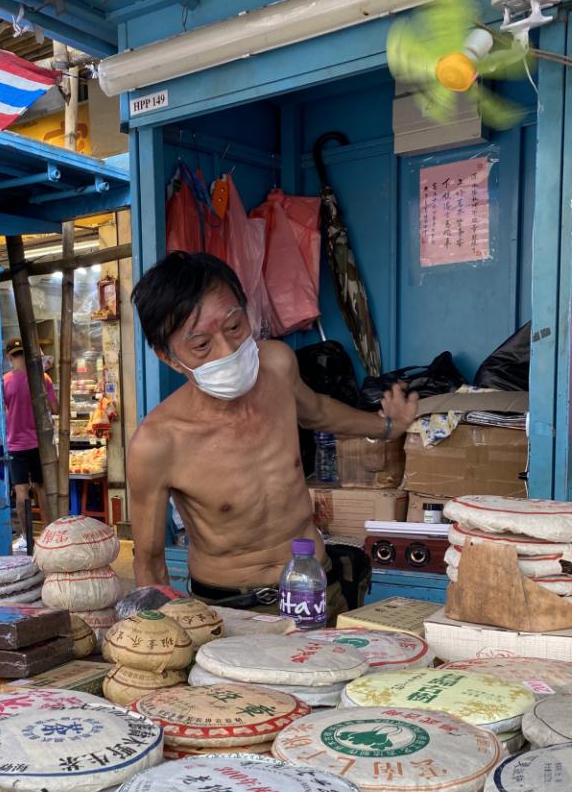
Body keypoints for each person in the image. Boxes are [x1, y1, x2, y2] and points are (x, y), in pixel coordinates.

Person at [129, 251, 418, 615]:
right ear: (168, 357)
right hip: (230, 609)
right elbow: (150, 563)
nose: (228, 351)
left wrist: (388, 427)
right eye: (201, 345)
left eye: (235, 327)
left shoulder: (277, 365)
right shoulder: (157, 443)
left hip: (317, 588)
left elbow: (317, 411)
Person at [2, 338, 57, 529]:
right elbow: (55, 408)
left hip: (15, 445)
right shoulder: (43, 378)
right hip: (38, 444)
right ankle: (49, 532)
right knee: (41, 487)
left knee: (21, 491)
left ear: (9, 357)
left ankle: (27, 537)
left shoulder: (4, 382)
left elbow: (1, 412)